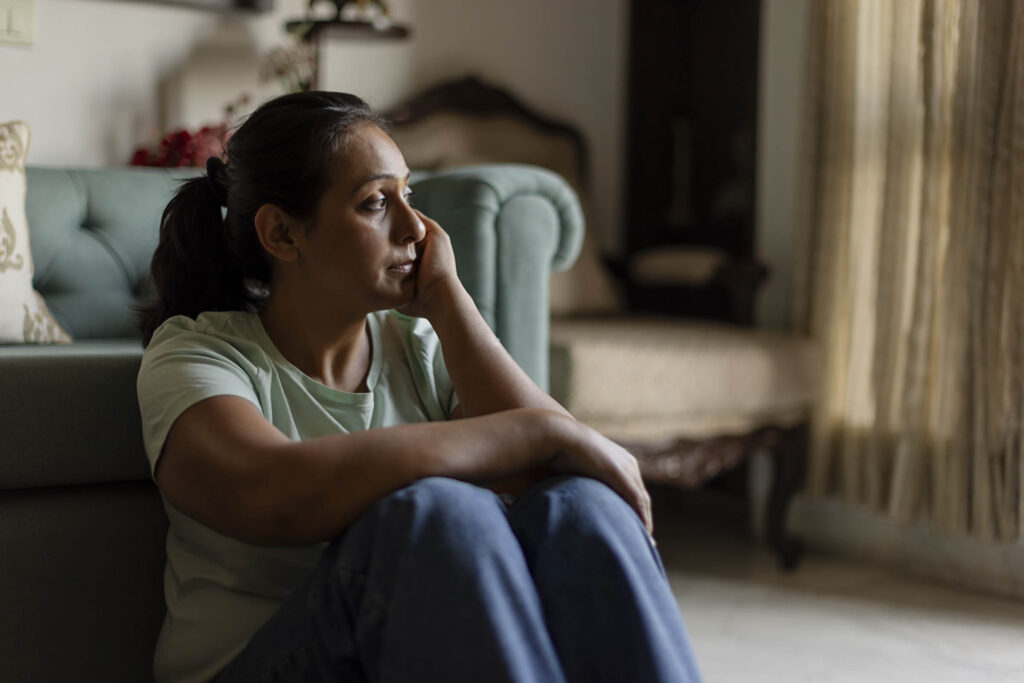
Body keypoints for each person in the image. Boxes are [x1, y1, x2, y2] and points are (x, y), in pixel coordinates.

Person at [137, 91, 702, 683]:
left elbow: (550, 468)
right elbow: (272, 492)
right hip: (260, 668)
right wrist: (540, 433)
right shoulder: (198, 353)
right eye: (375, 203)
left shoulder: (417, 346)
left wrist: (449, 299)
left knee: (580, 503)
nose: (415, 229)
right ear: (282, 233)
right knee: (440, 511)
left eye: (409, 196)